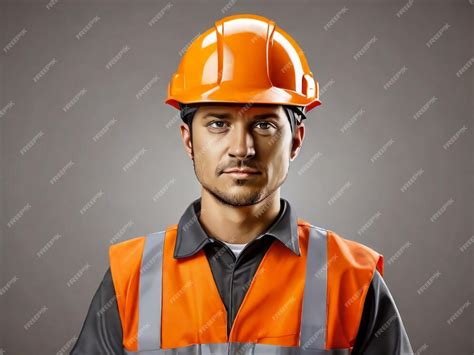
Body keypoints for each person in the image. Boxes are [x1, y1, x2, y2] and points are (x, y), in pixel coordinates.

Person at [70, 13, 413, 355]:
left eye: (264, 125)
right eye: (219, 123)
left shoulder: (350, 277)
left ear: (296, 140)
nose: (242, 148)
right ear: (188, 140)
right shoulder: (129, 276)